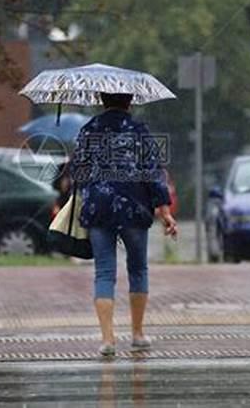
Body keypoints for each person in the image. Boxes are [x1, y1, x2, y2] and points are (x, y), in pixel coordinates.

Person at [69, 92, 178, 356]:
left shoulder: (88, 129)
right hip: (134, 207)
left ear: (102, 101)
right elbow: (153, 172)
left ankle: (108, 340)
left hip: (98, 208)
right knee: (138, 269)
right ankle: (138, 334)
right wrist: (164, 210)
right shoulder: (139, 130)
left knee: (104, 273)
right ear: (130, 101)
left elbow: (77, 172)